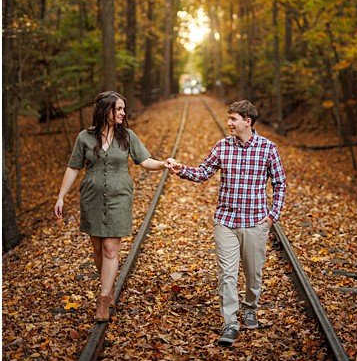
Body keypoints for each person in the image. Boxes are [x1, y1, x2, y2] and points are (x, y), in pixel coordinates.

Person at [170, 100, 286, 346]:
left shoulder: (268, 149)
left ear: (248, 121)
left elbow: (280, 184)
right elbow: (203, 173)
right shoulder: (222, 147)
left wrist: (272, 215)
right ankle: (230, 323)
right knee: (227, 275)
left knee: (253, 274)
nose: (229, 123)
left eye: (233, 119)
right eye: (229, 118)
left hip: (255, 222)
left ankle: (250, 307)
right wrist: (181, 169)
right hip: (226, 221)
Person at [52, 92, 170, 322]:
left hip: (119, 197)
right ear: (104, 110)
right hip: (91, 198)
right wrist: (61, 197)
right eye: (118, 109)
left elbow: (145, 161)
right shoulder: (84, 137)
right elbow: (73, 168)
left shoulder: (127, 136)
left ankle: (103, 298)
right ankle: (109, 283)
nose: (123, 113)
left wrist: (164, 164)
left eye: (123, 109)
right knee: (97, 248)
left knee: (110, 248)